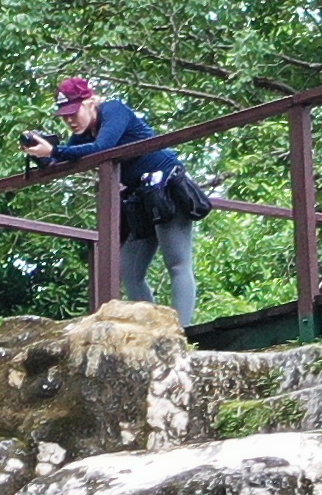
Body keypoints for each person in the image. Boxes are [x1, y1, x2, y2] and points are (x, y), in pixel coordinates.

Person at [34, 76, 199, 320]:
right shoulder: (85, 133)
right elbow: (63, 158)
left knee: (177, 263)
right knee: (129, 271)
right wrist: (42, 155)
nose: (70, 121)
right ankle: (151, 328)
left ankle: (183, 331)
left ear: (90, 103)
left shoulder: (114, 110)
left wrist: (55, 151)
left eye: (73, 113)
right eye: (64, 116)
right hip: (140, 197)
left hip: (166, 185)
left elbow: (102, 148)